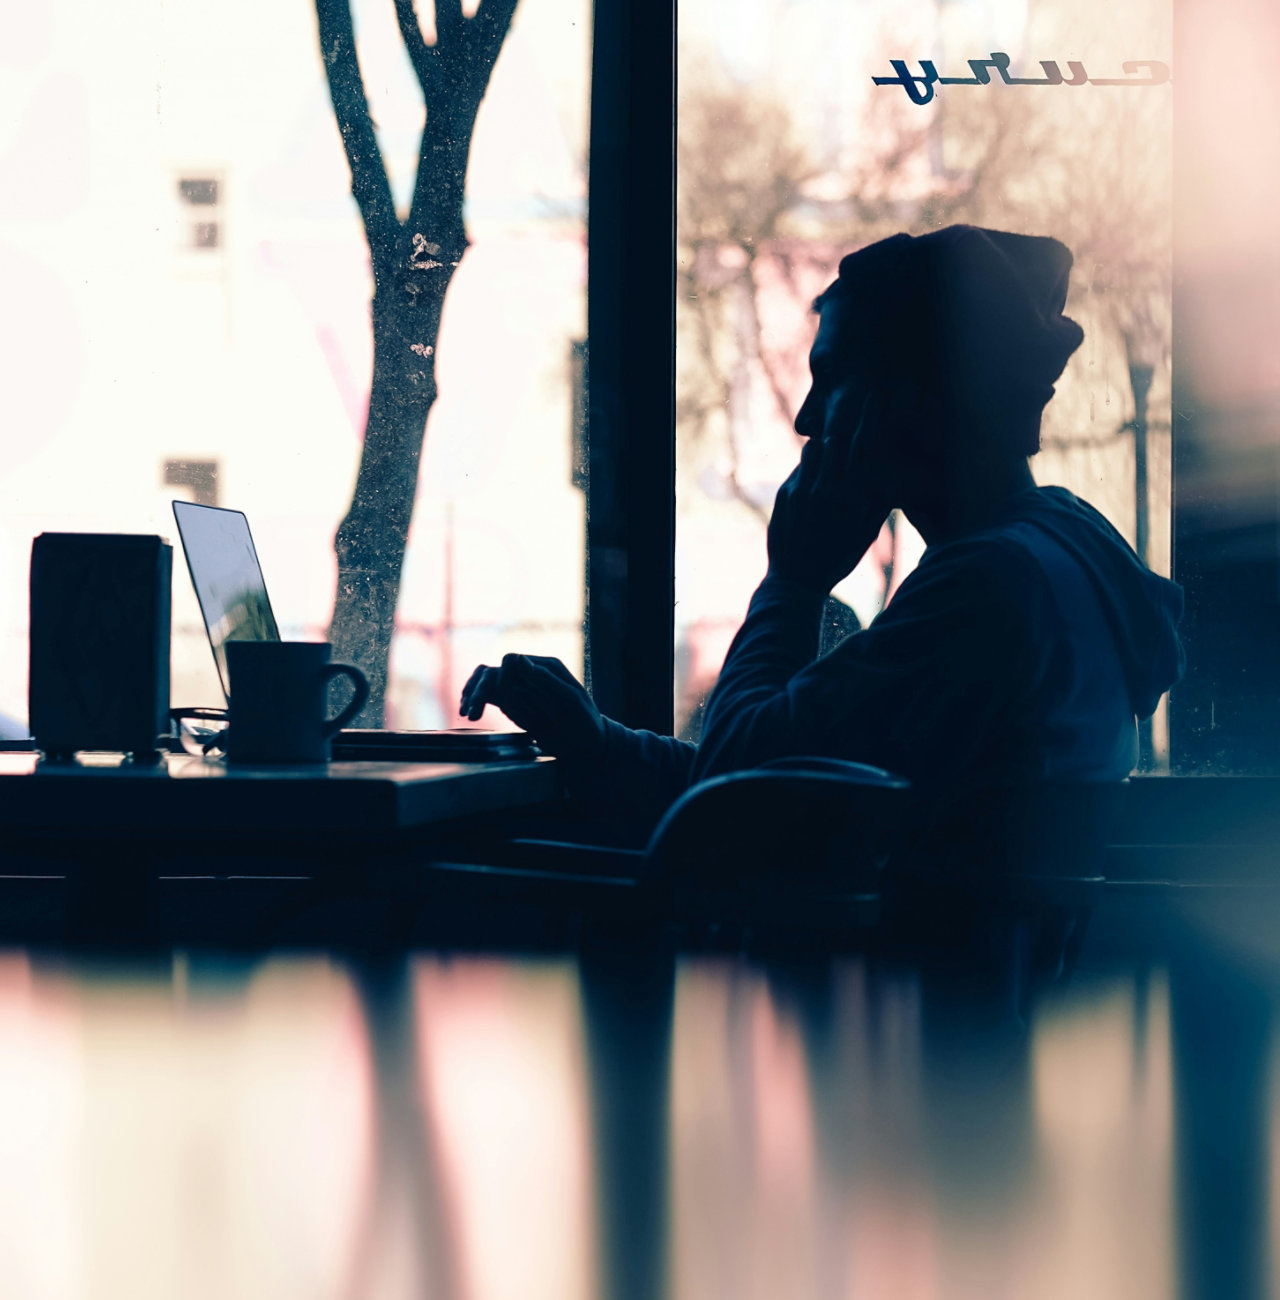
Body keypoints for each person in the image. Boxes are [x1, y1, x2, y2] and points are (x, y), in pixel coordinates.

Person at [461, 225, 1184, 842]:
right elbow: (780, 770)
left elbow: (731, 800)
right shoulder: (1056, 551)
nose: (807, 419)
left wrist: (794, 583)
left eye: (832, 377)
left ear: (919, 393)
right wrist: (596, 740)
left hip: (882, 996)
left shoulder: (985, 590)